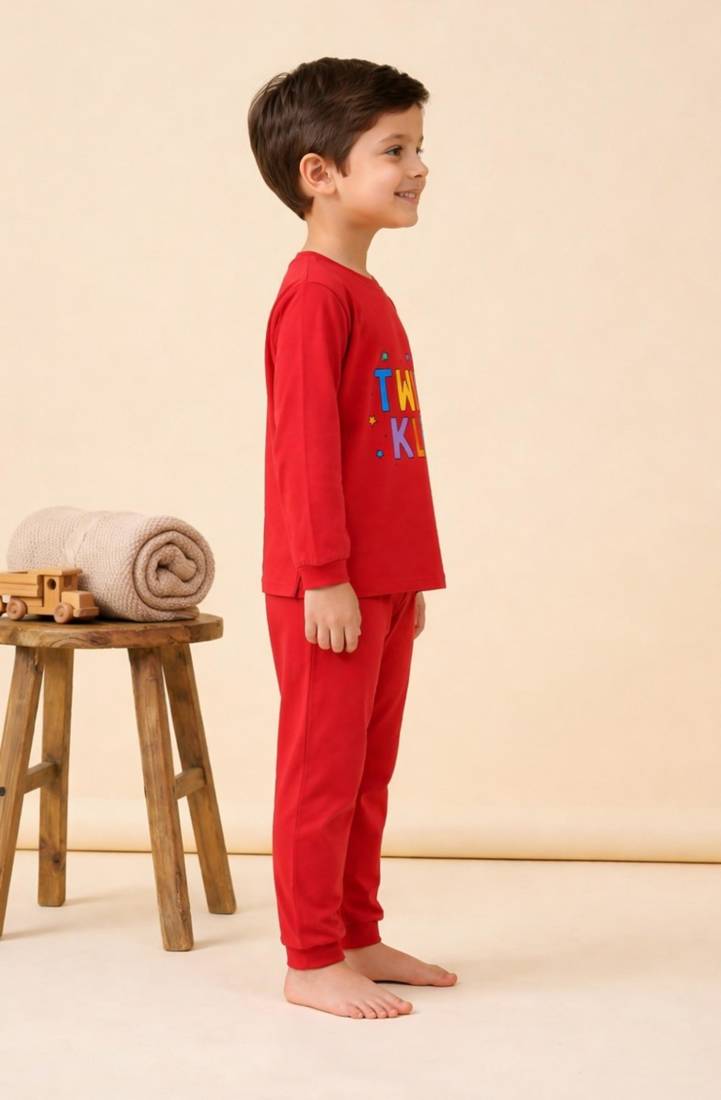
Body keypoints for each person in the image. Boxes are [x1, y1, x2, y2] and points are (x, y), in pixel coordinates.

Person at [248, 56, 458, 1019]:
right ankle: (309, 957)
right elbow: (303, 454)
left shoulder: (363, 292)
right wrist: (326, 576)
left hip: (380, 581)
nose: (418, 168)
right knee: (322, 773)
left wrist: (401, 580)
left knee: (368, 772)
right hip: (327, 585)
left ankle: (356, 933)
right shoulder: (314, 296)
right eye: (394, 150)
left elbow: (379, 455)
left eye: (418, 148)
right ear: (320, 174)